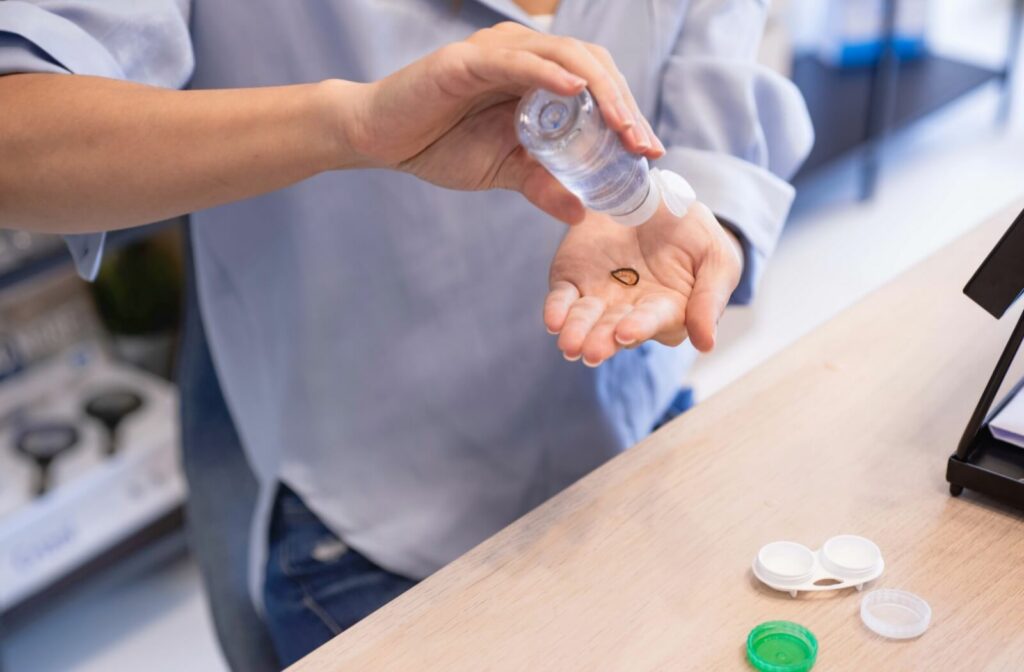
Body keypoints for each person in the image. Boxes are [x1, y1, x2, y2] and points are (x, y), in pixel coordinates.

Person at [0, 0, 812, 668]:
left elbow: (724, 60)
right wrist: (352, 125)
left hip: (630, 445)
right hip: (365, 524)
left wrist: (701, 218)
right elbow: (18, 136)